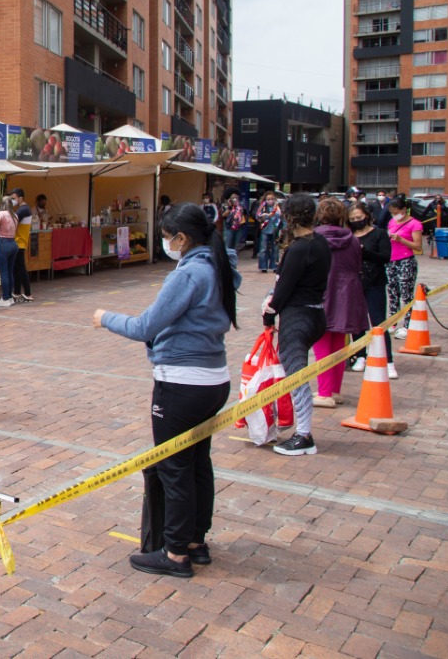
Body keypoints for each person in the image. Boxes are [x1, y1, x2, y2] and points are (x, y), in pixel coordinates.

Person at [93, 203, 239, 578]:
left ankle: (175, 553)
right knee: (197, 462)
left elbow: (145, 326)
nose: (165, 243)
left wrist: (105, 318)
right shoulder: (220, 266)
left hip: (182, 383)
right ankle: (194, 540)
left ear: (182, 238)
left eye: (167, 236)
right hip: (213, 380)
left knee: (175, 467)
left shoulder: (190, 273)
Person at [261, 193, 330, 457]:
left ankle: (304, 435)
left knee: (297, 377)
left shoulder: (299, 248)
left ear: (289, 216)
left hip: (297, 318)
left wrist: (269, 315)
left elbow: (284, 289)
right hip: (316, 314)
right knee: (298, 373)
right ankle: (302, 431)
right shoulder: (320, 243)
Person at [311, 200, 369, 409]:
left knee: (322, 343)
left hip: (323, 291)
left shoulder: (315, 238)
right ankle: (334, 390)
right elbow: (357, 265)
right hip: (348, 293)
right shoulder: (352, 239)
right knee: (338, 343)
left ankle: (325, 392)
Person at [348, 203, 396, 379]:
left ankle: (388, 359)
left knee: (378, 322)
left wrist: (365, 252)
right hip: (354, 283)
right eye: (352, 219)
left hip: (375, 282)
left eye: (359, 218)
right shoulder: (349, 236)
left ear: (367, 216)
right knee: (357, 322)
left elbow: (385, 257)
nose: (356, 221)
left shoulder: (379, 234)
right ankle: (360, 355)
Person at [386, 194, 423, 341]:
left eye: (396, 212)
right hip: (391, 261)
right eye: (392, 213)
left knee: (406, 294)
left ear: (404, 210)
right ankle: (393, 322)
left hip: (406, 261)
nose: (394, 216)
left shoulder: (415, 224)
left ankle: (407, 325)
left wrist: (401, 239)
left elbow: (418, 246)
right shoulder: (391, 222)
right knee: (393, 293)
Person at [10, 188, 33, 303]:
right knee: (16, 269)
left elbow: (11, 220)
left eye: (13, 198)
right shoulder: (22, 209)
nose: (12, 201)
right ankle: (17, 292)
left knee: (21, 269)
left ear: (20, 198)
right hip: (17, 243)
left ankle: (28, 293)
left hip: (20, 243)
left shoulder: (24, 209)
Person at [255, 192, 282, 273]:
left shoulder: (278, 207)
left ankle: (274, 266)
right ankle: (263, 266)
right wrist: (267, 216)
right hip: (265, 229)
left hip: (275, 230)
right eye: (268, 199)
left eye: (272, 199)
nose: (270, 201)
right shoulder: (262, 206)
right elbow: (258, 216)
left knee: (275, 249)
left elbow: (282, 217)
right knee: (263, 249)